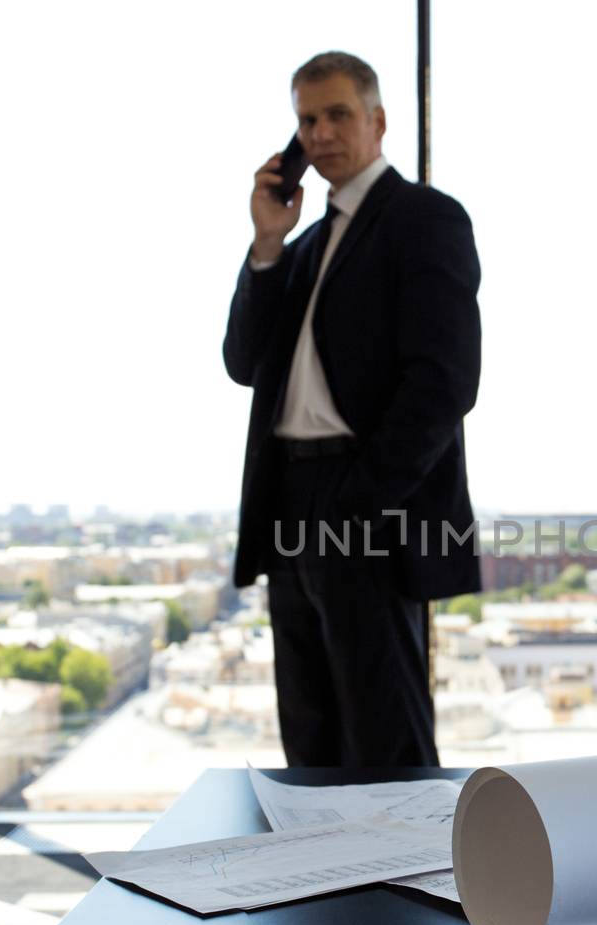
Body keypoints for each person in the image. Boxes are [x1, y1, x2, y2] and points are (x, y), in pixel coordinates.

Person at [222, 51, 482, 768]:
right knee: (309, 734)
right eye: (308, 119)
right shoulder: (300, 250)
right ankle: (324, 878)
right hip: (288, 498)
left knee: (383, 737)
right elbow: (244, 362)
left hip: (367, 500)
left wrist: (360, 504)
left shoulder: (425, 220)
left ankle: (399, 881)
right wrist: (266, 244)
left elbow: (444, 383)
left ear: (378, 121)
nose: (321, 132)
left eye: (338, 113)